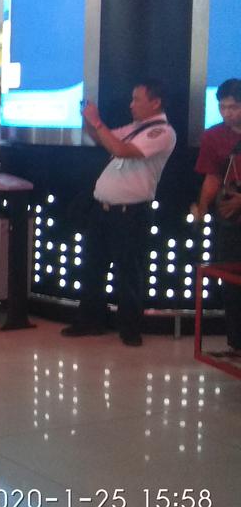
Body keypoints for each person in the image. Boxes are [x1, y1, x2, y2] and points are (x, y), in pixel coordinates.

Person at [61, 81, 176, 347]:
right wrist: (90, 122)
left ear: (155, 102)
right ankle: (90, 320)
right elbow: (104, 140)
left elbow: (122, 150)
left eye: (136, 99)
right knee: (92, 268)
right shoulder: (135, 128)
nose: (131, 104)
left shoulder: (162, 131)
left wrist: (97, 121)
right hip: (102, 212)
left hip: (130, 214)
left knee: (129, 272)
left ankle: (130, 328)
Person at [193, 79, 241, 357]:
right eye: (222, 107)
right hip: (229, 220)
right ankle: (236, 342)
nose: (228, 113)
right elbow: (211, 177)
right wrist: (202, 207)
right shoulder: (213, 136)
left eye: (233, 107)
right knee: (230, 280)